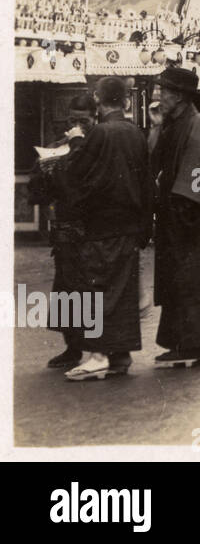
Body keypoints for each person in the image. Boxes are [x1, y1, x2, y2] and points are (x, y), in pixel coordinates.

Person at [56, 80, 153, 380]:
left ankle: (98, 355)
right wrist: (144, 227)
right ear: (124, 100)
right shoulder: (136, 133)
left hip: (102, 226)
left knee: (97, 289)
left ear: (98, 99)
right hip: (129, 225)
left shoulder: (99, 133)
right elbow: (147, 182)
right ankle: (120, 357)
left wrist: (75, 144)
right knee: (121, 294)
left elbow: (81, 175)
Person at [151, 66, 200, 367]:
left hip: (190, 218)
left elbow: (197, 170)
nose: (160, 96)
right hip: (179, 216)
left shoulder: (195, 126)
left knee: (191, 284)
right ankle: (181, 342)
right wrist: (157, 127)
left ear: (180, 96)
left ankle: (194, 344)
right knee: (180, 283)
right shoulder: (177, 123)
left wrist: (185, 204)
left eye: (165, 91)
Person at [28, 95, 97, 371]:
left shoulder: (97, 146)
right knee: (67, 287)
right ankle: (73, 347)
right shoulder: (57, 147)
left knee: (91, 288)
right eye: (73, 120)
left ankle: (96, 349)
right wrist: (45, 174)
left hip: (92, 229)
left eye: (84, 120)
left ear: (95, 117)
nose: (77, 126)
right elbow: (36, 192)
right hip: (65, 231)